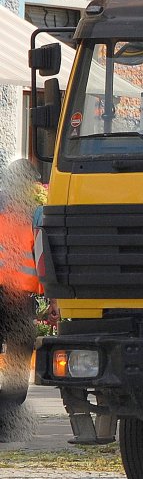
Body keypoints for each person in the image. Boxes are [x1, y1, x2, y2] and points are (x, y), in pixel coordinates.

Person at [0, 158, 44, 412]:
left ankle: (11, 408)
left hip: (19, 295)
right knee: (18, 351)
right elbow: (43, 258)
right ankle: (11, 408)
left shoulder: (32, 214)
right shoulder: (34, 215)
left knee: (18, 353)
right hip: (18, 295)